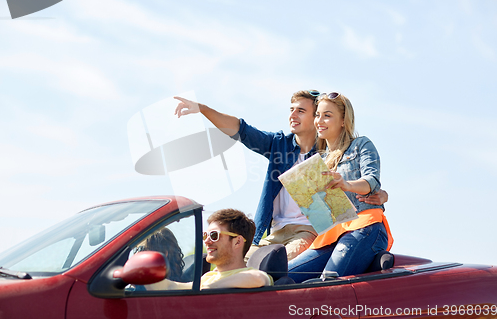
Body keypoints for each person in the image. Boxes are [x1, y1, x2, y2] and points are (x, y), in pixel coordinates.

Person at [174, 91, 389, 260]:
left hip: (309, 232)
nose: (292, 116)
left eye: (301, 111)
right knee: (237, 264)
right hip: (273, 232)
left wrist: (382, 194)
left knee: (272, 265)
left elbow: (358, 180)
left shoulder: (330, 153)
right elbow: (241, 130)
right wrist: (202, 109)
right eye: (291, 109)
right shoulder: (279, 144)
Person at [288, 92, 394, 282]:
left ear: (343, 121)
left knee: (327, 281)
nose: (320, 120)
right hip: (331, 234)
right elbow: (322, 213)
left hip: (364, 227)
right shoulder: (318, 160)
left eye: (327, 115)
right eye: (318, 115)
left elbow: (371, 181)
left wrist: (346, 185)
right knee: (284, 276)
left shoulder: (361, 145)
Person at [145, 208, 273, 290]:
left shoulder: (250, 276)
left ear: (237, 241)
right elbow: (175, 286)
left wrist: (211, 288)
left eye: (214, 235)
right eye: (205, 235)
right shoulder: (209, 276)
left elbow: (259, 278)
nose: (206, 241)